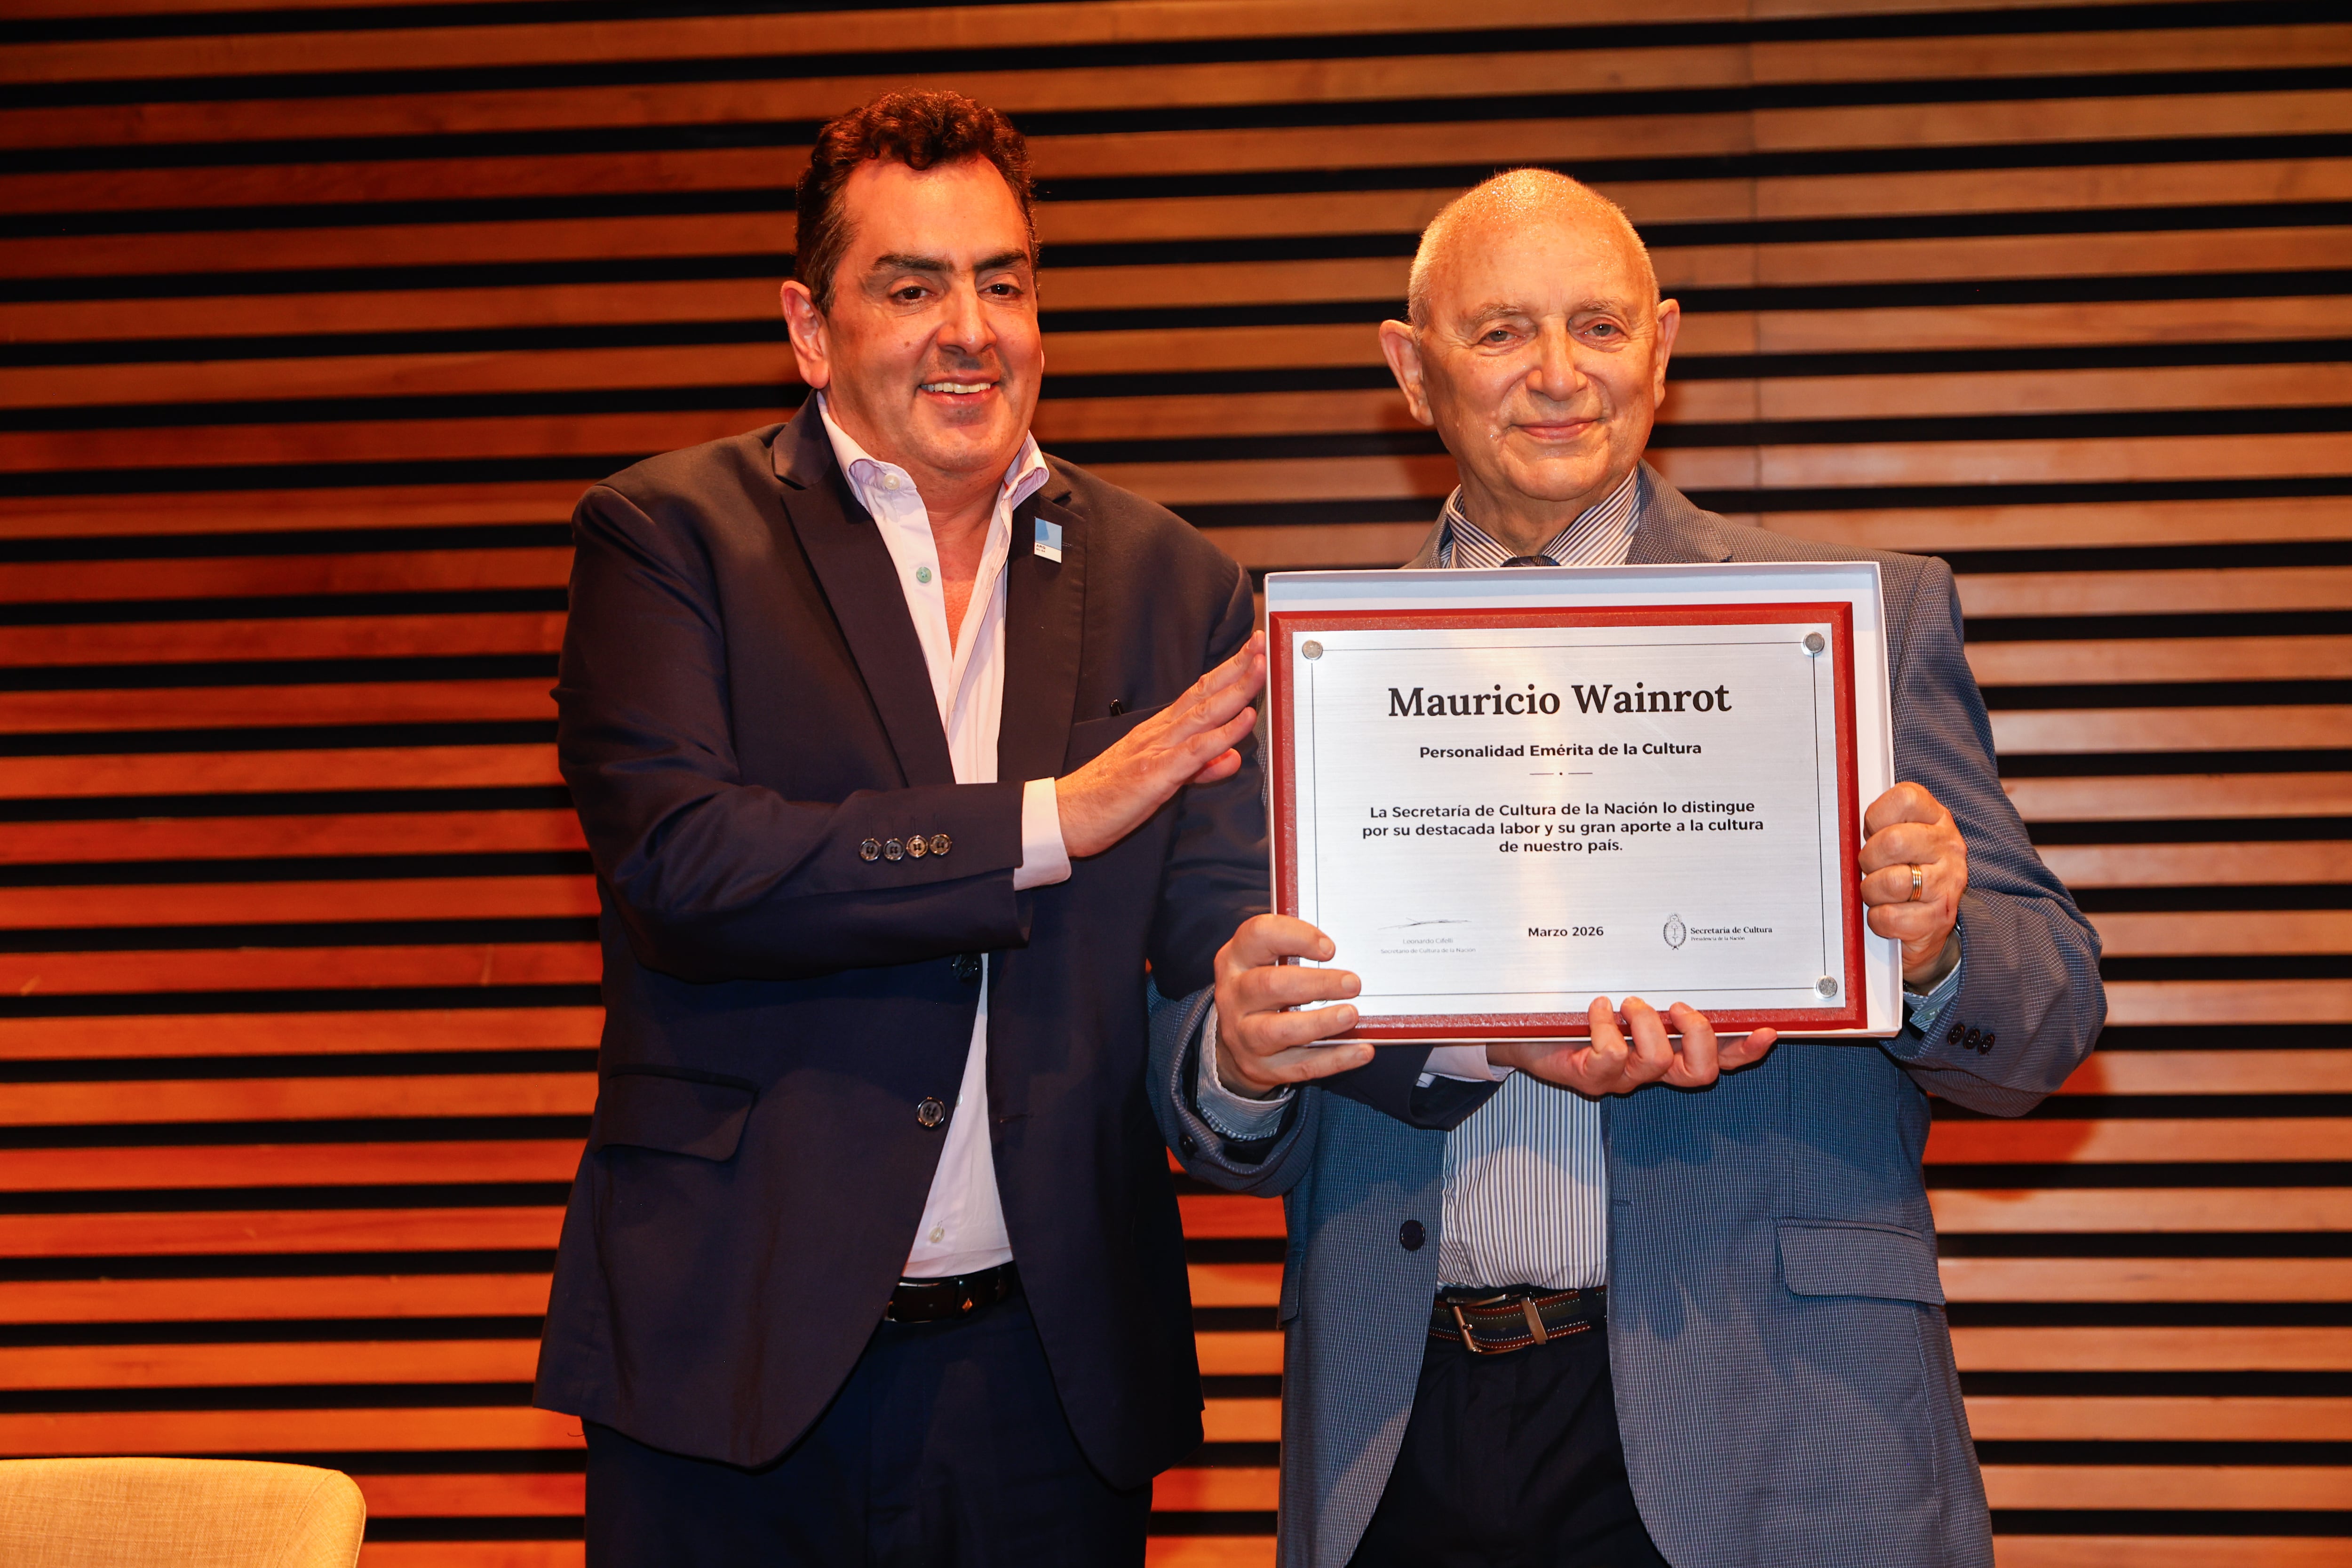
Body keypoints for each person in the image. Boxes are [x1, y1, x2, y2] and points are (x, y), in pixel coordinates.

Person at [1152, 169, 2105, 1568]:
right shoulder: (1307, 677)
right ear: (1411, 371)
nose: (1559, 374)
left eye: (1599, 327)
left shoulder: (1848, 630)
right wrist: (1242, 1057)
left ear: (1661, 348)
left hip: (1775, 1419)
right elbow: (1201, 1092)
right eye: (1501, 333)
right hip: (1404, 1433)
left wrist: (1935, 942)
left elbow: (2049, 1021)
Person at [535, 89, 1271, 1566]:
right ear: (811, 328)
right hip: (733, 1360)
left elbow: (1217, 939)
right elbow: (687, 865)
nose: (971, 330)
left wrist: (1303, 1020)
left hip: (1047, 1382)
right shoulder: (671, 537)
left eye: (1004, 282)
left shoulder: (1174, 581)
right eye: (914, 287)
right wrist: (1055, 819)